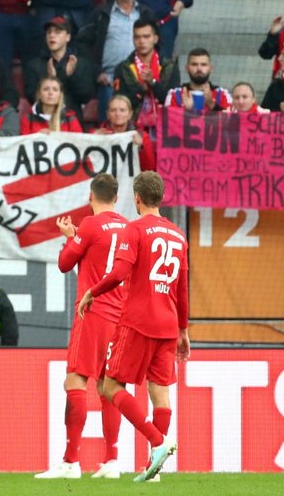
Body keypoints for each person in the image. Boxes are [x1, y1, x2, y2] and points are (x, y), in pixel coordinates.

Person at [78, 171, 189, 483]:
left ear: (137, 198)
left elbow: (120, 271)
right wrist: (183, 329)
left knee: (110, 386)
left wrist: (93, 291)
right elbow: (181, 288)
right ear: (160, 197)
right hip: (168, 326)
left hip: (139, 321)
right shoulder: (178, 235)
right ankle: (153, 471)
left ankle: (157, 442)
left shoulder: (134, 229)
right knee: (160, 392)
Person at [36, 173, 127, 479]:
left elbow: (65, 263)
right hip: (121, 317)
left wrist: (70, 238)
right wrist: (77, 238)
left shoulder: (90, 224)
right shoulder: (128, 227)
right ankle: (112, 460)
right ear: (116, 198)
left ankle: (70, 462)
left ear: (91, 196)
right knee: (109, 386)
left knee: (76, 381)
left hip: (93, 311)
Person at [77, 0, 150, 112]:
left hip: (140, 80)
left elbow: (157, 45)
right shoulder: (101, 13)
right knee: (108, 130)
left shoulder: (146, 14)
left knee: (140, 131)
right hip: (110, 81)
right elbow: (82, 43)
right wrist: (97, 72)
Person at [112, 18, 178, 129]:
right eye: (137, 37)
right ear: (133, 39)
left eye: (146, 37)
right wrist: (141, 89)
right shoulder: (123, 68)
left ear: (155, 39)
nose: (141, 41)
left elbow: (173, 101)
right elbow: (119, 102)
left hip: (165, 126)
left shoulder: (169, 66)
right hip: (132, 127)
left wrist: (153, 83)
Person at [25, 16, 97, 115]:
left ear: (68, 37)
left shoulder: (81, 63)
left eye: (57, 32)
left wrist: (71, 76)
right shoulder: (34, 65)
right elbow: (31, 97)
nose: (52, 35)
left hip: (72, 120)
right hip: (44, 119)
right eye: (49, 32)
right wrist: (49, 79)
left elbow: (85, 96)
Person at [94, 94, 156, 172]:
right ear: (107, 114)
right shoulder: (96, 134)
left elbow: (149, 169)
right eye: (113, 110)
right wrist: (92, 140)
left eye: (122, 110)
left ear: (130, 114)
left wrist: (141, 148)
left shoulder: (142, 136)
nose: (118, 114)